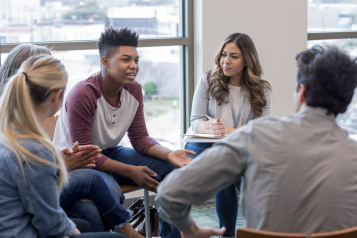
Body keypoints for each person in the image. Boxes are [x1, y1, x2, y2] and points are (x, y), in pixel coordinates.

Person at [156, 45, 357, 237]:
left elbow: (169, 194)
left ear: (301, 92)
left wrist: (190, 230)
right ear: (346, 102)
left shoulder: (257, 136)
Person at [53, 27, 195, 237]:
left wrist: (168, 153)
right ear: (105, 61)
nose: (134, 66)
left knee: (172, 172)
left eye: (136, 60)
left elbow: (139, 138)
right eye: (126, 59)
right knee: (106, 196)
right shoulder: (82, 95)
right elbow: (86, 157)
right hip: (77, 164)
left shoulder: (134, 90)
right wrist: (130, 171)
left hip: (109, 152)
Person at [0, 45, 143, 237]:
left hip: (38, 194)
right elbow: (46, 217)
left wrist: (60, 162)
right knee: (91, 199)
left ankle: (125, 229)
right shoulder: (30, 142)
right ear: (55, 94)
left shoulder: (21, 124)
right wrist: (61, 166)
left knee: (91, 191)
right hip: (24, 221)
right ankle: (126, 230)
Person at [184, 32, 271, 237]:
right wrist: (209, 127)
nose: (226, 61)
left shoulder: (261, 90)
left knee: (228, 169)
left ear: (247, 60)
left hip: (235, 146)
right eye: (224, 54)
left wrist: (228, 131)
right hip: (203, 144)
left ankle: (233, 233)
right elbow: (195, 120)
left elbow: (260, 131)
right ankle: (234, 233)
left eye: (234, 56)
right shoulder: (208, 79)